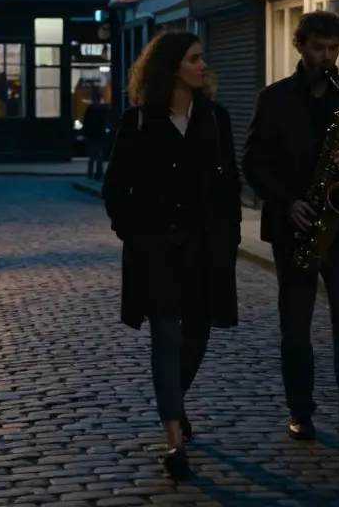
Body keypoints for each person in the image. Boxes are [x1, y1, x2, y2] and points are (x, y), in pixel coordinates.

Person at [241, 10, 339, 458]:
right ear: (300, 46)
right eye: (318, 48)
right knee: (296, 329)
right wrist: (288, 203)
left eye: (333, 48)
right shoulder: (274, 99)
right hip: (296, 227)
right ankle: (300, 410)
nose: (327, 57)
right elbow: (253, 163)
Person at [102, 30, 242, 480]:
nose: (203, 66)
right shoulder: (139, 121)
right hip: (157, 250)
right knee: (167, 337)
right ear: (171, 68)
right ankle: (173, 441)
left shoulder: (216, 119)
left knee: (198, 336)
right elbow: (115, 187)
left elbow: (229, 187)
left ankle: (174, 404)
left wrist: (230, 238)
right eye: (194, 59)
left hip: (205, 249)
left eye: (202, 58)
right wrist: (134, 232)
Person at [82, 86, 111, 180]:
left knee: (92, 155)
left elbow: (85, 121)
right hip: (99, 134)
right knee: (99, 155)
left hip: (92, 134)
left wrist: (85, 132)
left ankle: (90, 173)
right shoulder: (103, 109)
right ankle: (99, 173)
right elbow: (106, 122)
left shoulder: (90, 109)